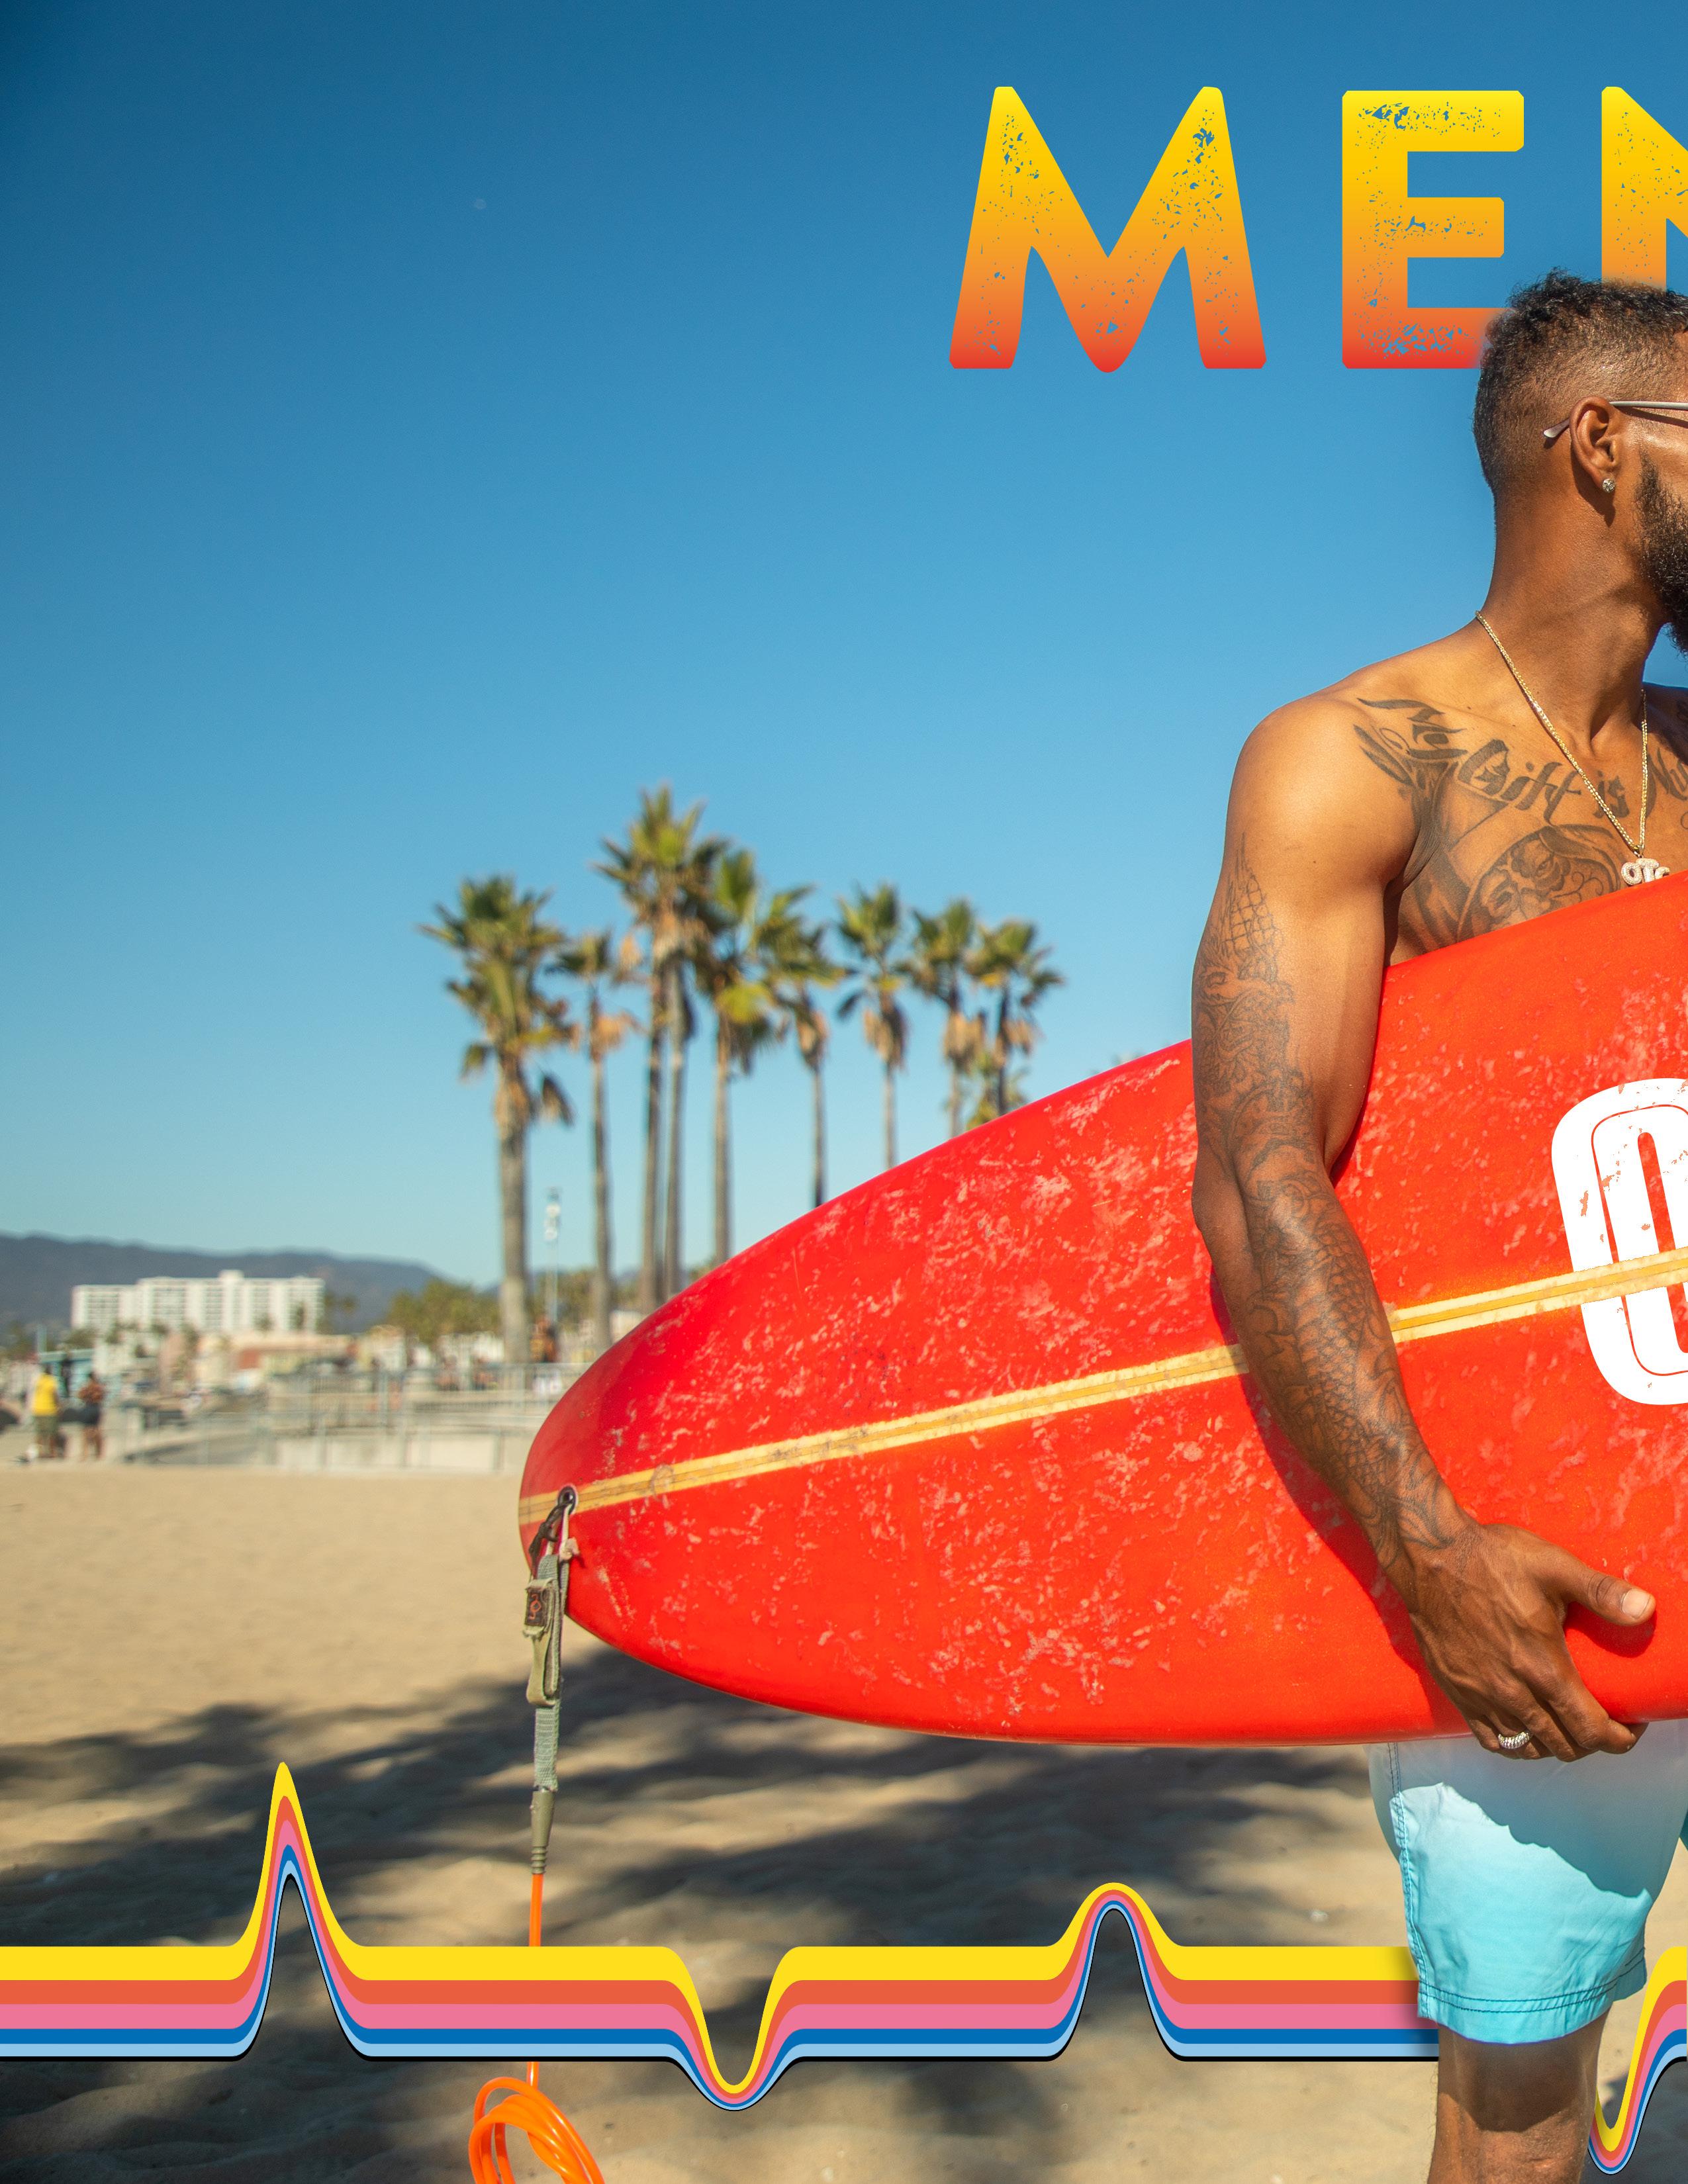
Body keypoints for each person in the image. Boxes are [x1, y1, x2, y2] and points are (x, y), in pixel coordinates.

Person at [1191, 271, 1688, 2184]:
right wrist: (1424, 1551)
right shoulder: (1348, 758)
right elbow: (1261, 1173)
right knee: (1519, 2117)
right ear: (1600, 448)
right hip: (1531, 1558)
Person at [28, 1365, 60, 1463]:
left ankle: (40, 1453)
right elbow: (54, 1394)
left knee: (40, 1433)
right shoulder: (51, 1380)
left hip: (37, 1410)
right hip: (49, 1410)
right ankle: (52, 1453)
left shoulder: (39, 1380)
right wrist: (58, 1406)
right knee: (51, 1433)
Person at [79, 1370, 106, 1463]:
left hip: (89, 1407)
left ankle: (85, 1455)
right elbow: (102, 1397)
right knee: (96, 1431)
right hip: (96, 1408)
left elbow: (81, 1396)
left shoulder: (88, 1387)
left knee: (86, 1432)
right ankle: (98, 1453)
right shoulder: (98, 1387)